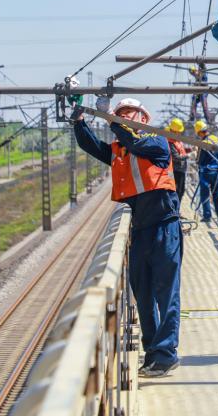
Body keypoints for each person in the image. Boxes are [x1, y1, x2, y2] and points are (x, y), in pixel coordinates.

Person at [72, 97, 181, 378]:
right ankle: (152, 353)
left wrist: (111, 119)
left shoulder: (156, 141)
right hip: (141, 230)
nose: (122, 117)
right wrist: (78, 121)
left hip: (164, 227)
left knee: (166, 294)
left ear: (143, 119)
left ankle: (166, 354)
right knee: (143, 295)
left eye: (127, 114)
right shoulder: (120, 150)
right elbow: (90, 145)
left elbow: (135, 143)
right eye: (120, 114)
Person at [193, 120, 218, 225]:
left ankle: (207, 216)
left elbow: (199, 160)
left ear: (200, 132)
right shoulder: (217, 139)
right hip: (216, 171)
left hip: (205, 172)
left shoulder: (203, 143)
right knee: (217, 194)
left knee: (205, 194)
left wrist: (195, 157)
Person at [166, 117, 189, 200]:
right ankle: (174, 210)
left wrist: (189, 150)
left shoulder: (175, 140)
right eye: (179, 131)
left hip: (179, 170)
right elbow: (176, 157)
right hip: (174, 170)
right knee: (176, 191)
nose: (180, 133)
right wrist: (189, 156)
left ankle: (175, 210)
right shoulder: (170, 142)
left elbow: (180, 150)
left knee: (180, 191)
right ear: (175, 131)